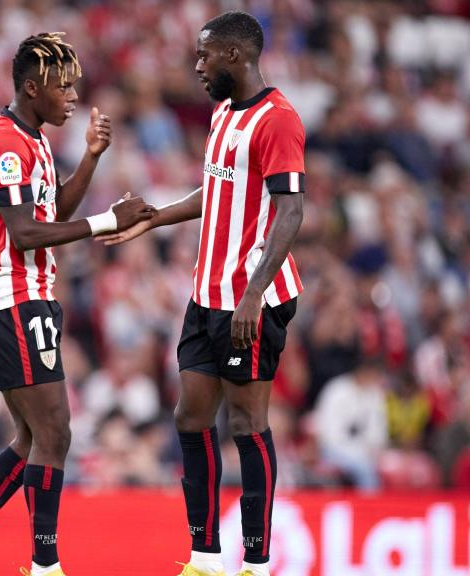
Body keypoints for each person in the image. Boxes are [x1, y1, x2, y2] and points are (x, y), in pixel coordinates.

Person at [0, 32, 155, 576]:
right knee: (55, 433)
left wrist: (92, 159)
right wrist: (106, 223)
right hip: (9, 295)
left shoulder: (33, 137)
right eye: (62, 86)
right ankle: (44, 566)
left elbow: (49, 211)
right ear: (31, 88)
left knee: (33, 438)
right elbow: (25, 234)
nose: (73, 96)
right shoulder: (4, 143)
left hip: (28, 295)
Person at [98, 12, 305, 576]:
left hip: (249, 299)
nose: (197, 65)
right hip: (206, 293)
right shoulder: (221, 112)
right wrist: (156, 218)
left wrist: (253, 294)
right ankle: (204, 555)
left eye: (204, 55)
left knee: (246, 423)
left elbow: (291, 212)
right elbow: (217, 190)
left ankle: (256, 562)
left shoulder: (279, 121)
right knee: (190, 417)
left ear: (235, 56)